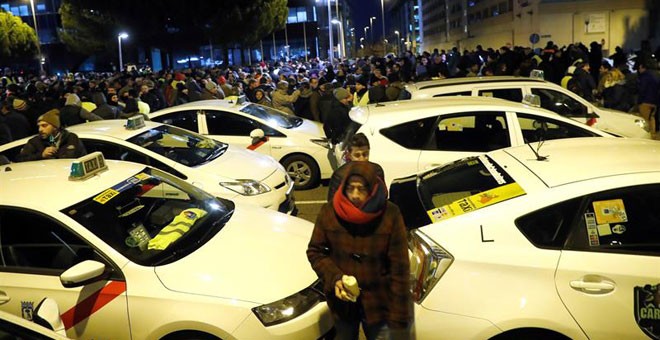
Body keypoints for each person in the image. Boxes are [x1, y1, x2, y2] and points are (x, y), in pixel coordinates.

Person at [307, 161, 413, 340]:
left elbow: (400, 267)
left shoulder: (390, 214)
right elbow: (315, 251)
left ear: (372, 189)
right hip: (342, 303)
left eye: (361, 189)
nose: (355, 195)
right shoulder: (329, 212)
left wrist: (399, 315)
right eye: (350, 188)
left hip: (379, 302)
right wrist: (336, 278)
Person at [17, 109, 87, 162]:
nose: (40, 129)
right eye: (39, 126)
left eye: (44, 126)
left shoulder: (70, 138)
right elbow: (20, 159)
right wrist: (41, 155)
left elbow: (83, 157)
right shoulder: (35, 142)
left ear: (55, 127)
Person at [637, 61, 659, 136]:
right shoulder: (657, 75)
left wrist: (639, 101)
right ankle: (653, 134)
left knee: (644, 120)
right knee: (652, 118)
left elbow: (642, 89)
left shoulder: (645, 76)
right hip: (655, 102)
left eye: (639, 68)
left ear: (643, 67)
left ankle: (644, 135)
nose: (639, 70)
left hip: (645, 101)